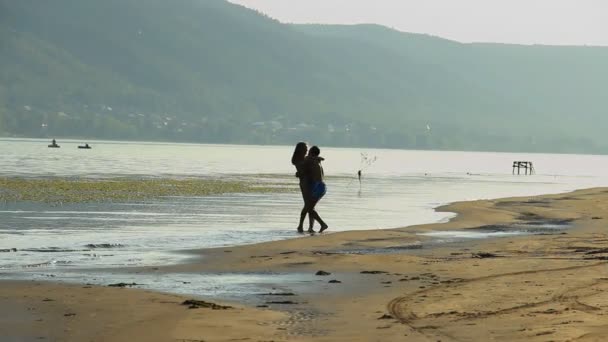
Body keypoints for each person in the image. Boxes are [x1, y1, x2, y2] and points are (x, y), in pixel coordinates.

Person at [303, 146, 328, 233]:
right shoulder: (316, 160)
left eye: (309, 151)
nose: (307, 153)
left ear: (312, 153)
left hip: (318, 187)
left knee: (309, 208)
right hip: (320, 186)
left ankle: (322, 224)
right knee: (311, 208)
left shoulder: (312, 160)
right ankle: (311, 228)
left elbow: (304, 158)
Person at [291, 142, 312, 233]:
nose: (307, 150)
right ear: (301, 150)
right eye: (305, 149)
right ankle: (301, 225)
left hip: (309, 182)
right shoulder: (297, 160)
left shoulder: (305, 159)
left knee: (311, 206)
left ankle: (310, 226)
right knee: (308, 205)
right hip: (305, 183)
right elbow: (303, 171)